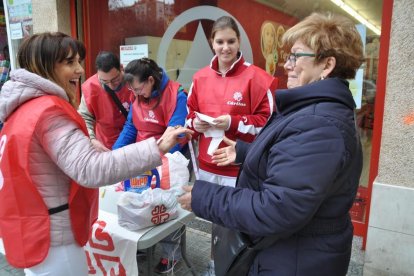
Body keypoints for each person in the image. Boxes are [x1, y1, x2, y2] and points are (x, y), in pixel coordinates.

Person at [179, 12, 364, 275]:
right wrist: (243, 150)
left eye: (296, 56)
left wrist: (203, 196)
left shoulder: (319, 124)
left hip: (296, 258)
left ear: (327, 65)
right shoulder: (313, 111)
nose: (287, 65)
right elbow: (289, 155)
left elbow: (276, 207)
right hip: (291, 251)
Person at [0, 32, 191, 276]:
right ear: (44, 65)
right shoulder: (48, 111)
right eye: (70, 62)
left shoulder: (21, 110)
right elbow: (91, 168)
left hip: (35, 231)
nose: (80, 70)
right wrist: (157, 147)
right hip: (55, 239)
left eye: (78, 61)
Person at [185, 15, 278, 275]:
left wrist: (232, 122)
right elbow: (189, 115)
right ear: (211, 43)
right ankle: (215, 266)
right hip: (208, 164)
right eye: (220, 41)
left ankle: (237, 269)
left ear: (239, 42)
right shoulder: (200, 78)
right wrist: (196, 124)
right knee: (216, 222)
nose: (225, 47)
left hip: (240, 166)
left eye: (231, 41)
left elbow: (268, 125)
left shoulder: (257, 79)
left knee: (239, 223)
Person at [113, 57, 188, 274]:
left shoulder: (176, 94)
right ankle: (144, 246)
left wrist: (157, 160)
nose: (135, 94)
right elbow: (130, 128)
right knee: (139, 203)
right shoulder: (138, 95)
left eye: (138, 88)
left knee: (168, 209)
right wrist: (114, 156)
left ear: (150, 80)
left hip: (169, 161)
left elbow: (177, 135)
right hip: (143, 158)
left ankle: (171, 254)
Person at [78, 51, 133, 152]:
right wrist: (92, 139)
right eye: (105, 81)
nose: (111, 85)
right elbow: (84, 117)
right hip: (107, 146)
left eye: (115, 79)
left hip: (135, 143)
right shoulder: (90, 87)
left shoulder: (133, 80)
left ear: (121, 68)